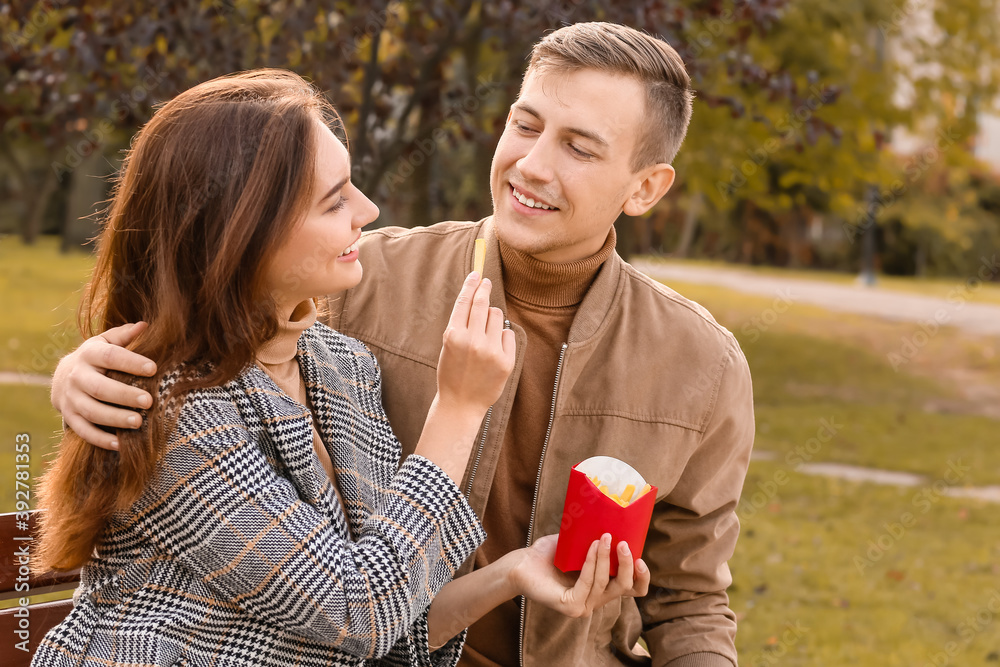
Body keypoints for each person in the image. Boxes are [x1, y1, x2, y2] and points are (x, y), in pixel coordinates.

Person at [51, 22, 755, 667]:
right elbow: (203, 313)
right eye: (525, 123)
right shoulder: (360, 279)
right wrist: (86, 373)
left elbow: (690, 599)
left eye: (578, 146)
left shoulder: (703, 364)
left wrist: (514, 570)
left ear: (646, 188)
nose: (531, 165)